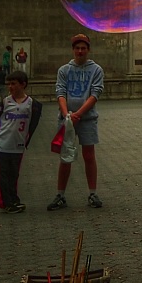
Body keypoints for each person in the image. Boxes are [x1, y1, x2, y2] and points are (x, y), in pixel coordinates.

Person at [47, 34, 104, 211]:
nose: (80, 51)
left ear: (88, 50)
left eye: (83, 48)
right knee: (65, 157)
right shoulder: (64, 70)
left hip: (87, 119)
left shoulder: (96, 70)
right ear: (73, 50)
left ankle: (92, 193)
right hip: (67, 118)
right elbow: (60, 93)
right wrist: (67, 115)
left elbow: (95, 94)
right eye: (77, 48)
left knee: (89, 155)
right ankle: (60, 194)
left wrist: (78, 114)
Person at [0, 70, 42, 213]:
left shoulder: (32, 104)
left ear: (23, 85)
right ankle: (6, 203)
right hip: (2, 144)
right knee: (3, 175)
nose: (10, 87)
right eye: (9, 84)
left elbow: (33, 123)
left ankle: (14, 199)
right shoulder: (4, 102)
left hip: (18, 146)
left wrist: (25, 139)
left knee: (14, 174)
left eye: (13, 84)